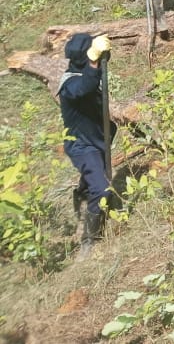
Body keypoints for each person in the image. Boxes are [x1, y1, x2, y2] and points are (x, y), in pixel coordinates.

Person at [58, 32, 114, 259]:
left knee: (94, 178)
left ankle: (82, 191)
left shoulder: (83, 71)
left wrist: (101, 58)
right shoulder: (70, 83)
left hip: (98, 137)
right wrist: (93, 62)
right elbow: (85, 88)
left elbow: (93, 78)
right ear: (84, 57)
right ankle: (89, 239)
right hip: (83, 145)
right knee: (102, 189)